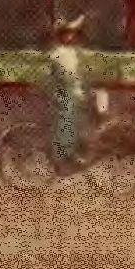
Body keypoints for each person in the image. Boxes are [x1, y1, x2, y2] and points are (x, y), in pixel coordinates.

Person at [47, 15, 88, 173]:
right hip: (63, 91)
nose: (70, 36)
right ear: (61, 36)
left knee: (76, 119)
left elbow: (76, 74)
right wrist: (77, 89)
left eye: (72, 33)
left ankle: (74, 151)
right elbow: (67, 76)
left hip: (69, 89)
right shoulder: (59, 53)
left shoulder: (71, 52)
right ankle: (63, 158)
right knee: (67, 120)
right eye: (66, 33)